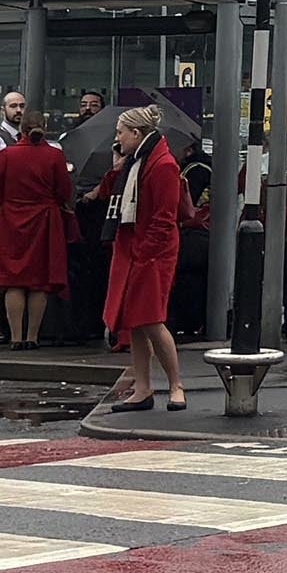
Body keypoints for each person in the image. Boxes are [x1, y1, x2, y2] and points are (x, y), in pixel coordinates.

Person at [100, 105, 189, 411]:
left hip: (151, 253)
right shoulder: (136, 162)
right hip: (134, 248)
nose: (117, 139)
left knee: (151, 319)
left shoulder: (162, 165)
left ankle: (176, 385)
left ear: (136, 134)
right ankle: (143, 387)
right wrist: (117, 166)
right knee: (134, 321)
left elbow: (164, 218)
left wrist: (144, 253)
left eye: (120, 133)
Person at [0, 110, 71, 350]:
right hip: (44, 222)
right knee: (38, 282)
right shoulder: (54, 156)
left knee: (14, 281)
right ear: (45, 126)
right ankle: (32, 337)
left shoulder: (7, 155)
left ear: (22, 129)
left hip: (10, 221)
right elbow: (64, 192)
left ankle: (16, 337)